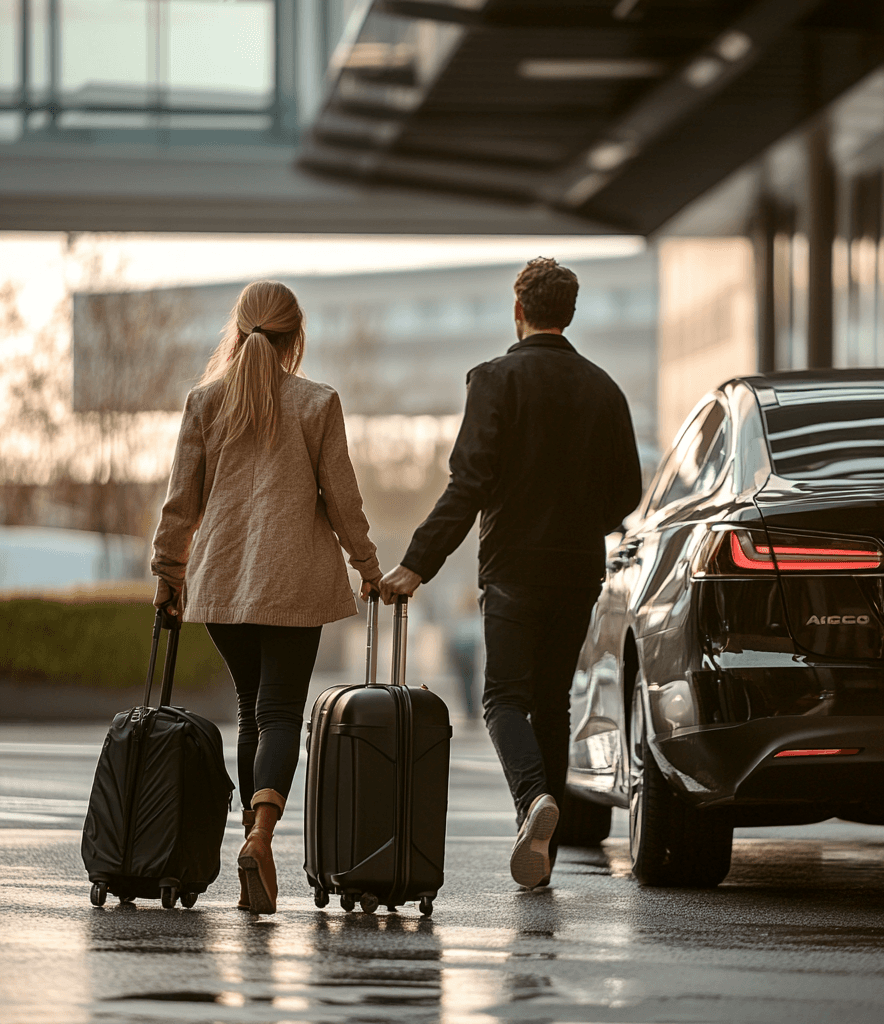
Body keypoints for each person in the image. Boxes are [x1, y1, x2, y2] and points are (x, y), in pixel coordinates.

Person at [380, 258, 642, 889]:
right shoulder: (605, 388)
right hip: (578, 571)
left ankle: (532, 804)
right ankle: (541, 848)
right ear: (569, 313)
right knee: (551, 703)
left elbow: (468, 484)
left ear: (518, 311)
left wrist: (418, 563)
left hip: (513, 570)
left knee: (502, 698)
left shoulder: (495, 380)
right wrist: (584, 525)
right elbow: (628, 491)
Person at [151, 280, 381, 915]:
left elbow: (181, 502)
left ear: (240, 330)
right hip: (293, 583)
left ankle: (252, 836)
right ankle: (260, 834)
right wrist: (368, 566)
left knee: (252, 713)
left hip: (222, 584)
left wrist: (168, 571)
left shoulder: (204, 402)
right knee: (282, 712)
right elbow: (343, 499)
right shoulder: (317, 402)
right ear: (295, 338)